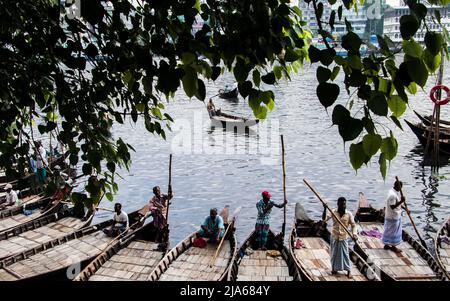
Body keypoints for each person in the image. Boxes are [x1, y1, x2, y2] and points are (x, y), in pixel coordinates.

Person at [322, 197, 358, 278]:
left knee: (345, 254)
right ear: (338, 204)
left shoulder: (348, 214)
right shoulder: (333, 212)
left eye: (344, 204)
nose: (343, 206)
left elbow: (353, 225)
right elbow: (324, 219)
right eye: (342, 205)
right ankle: (334, 269)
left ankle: (348, 271)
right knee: (334, 254)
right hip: (334, 236)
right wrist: (324, 209)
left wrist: (354, 234)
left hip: (343, 237)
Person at [382, 179, 407, 253]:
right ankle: (393, 246)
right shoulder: (392, 195)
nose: (401, 189)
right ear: (397, 187)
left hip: (392, 215)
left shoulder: (393, 192)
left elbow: (398, 203)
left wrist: (405, 208)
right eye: (400, 188)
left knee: (389, 230)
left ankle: (386, 244)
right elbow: (392, 206)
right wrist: (401, 201)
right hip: (392, 216)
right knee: (393, 232)